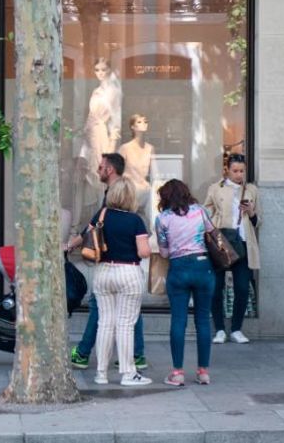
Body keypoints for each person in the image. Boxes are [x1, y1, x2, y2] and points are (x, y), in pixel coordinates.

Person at [67, 153, 148, 370]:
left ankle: (85, 353)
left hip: (107, 267)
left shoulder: (109, 202)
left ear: (110, 170)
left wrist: (72, 244)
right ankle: (135, 355)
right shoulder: (129, 212)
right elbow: (143, 249)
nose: (97, 170)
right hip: (128, 270)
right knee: (129, 311)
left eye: (101, 167)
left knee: (101, 312)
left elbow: (91, 229)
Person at [89, 178, 152, 386]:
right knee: (125, 324)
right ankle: (127, 373)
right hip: (128, 273)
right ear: (131, 197)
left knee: (104, 323)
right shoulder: (135, 221)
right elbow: (143, 252)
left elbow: (89, 236)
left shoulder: (101, 215)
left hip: (103, 271)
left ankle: (101, 373)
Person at [156, 179, 215, 386]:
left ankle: (178, 372)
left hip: (178, 269)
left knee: (178, 320)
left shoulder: (162, 218)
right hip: (203, 266)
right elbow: (211, 232)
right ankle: (203, 371)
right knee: (203, 320)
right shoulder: (199, 211)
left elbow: (163, 252)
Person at [204, 153, 260, 344]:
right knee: (216, 287)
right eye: (235, 170)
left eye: (242, 171)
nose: (239, 175)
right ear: (227, 170)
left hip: (243, 242)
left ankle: (236, 329)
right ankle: (219, 329)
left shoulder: (251, 190)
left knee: (242, 287)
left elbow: (258, 221)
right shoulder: (215, 188)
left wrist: (251, 212)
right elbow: (206, 213)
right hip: (222, 242)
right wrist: (213, 227)